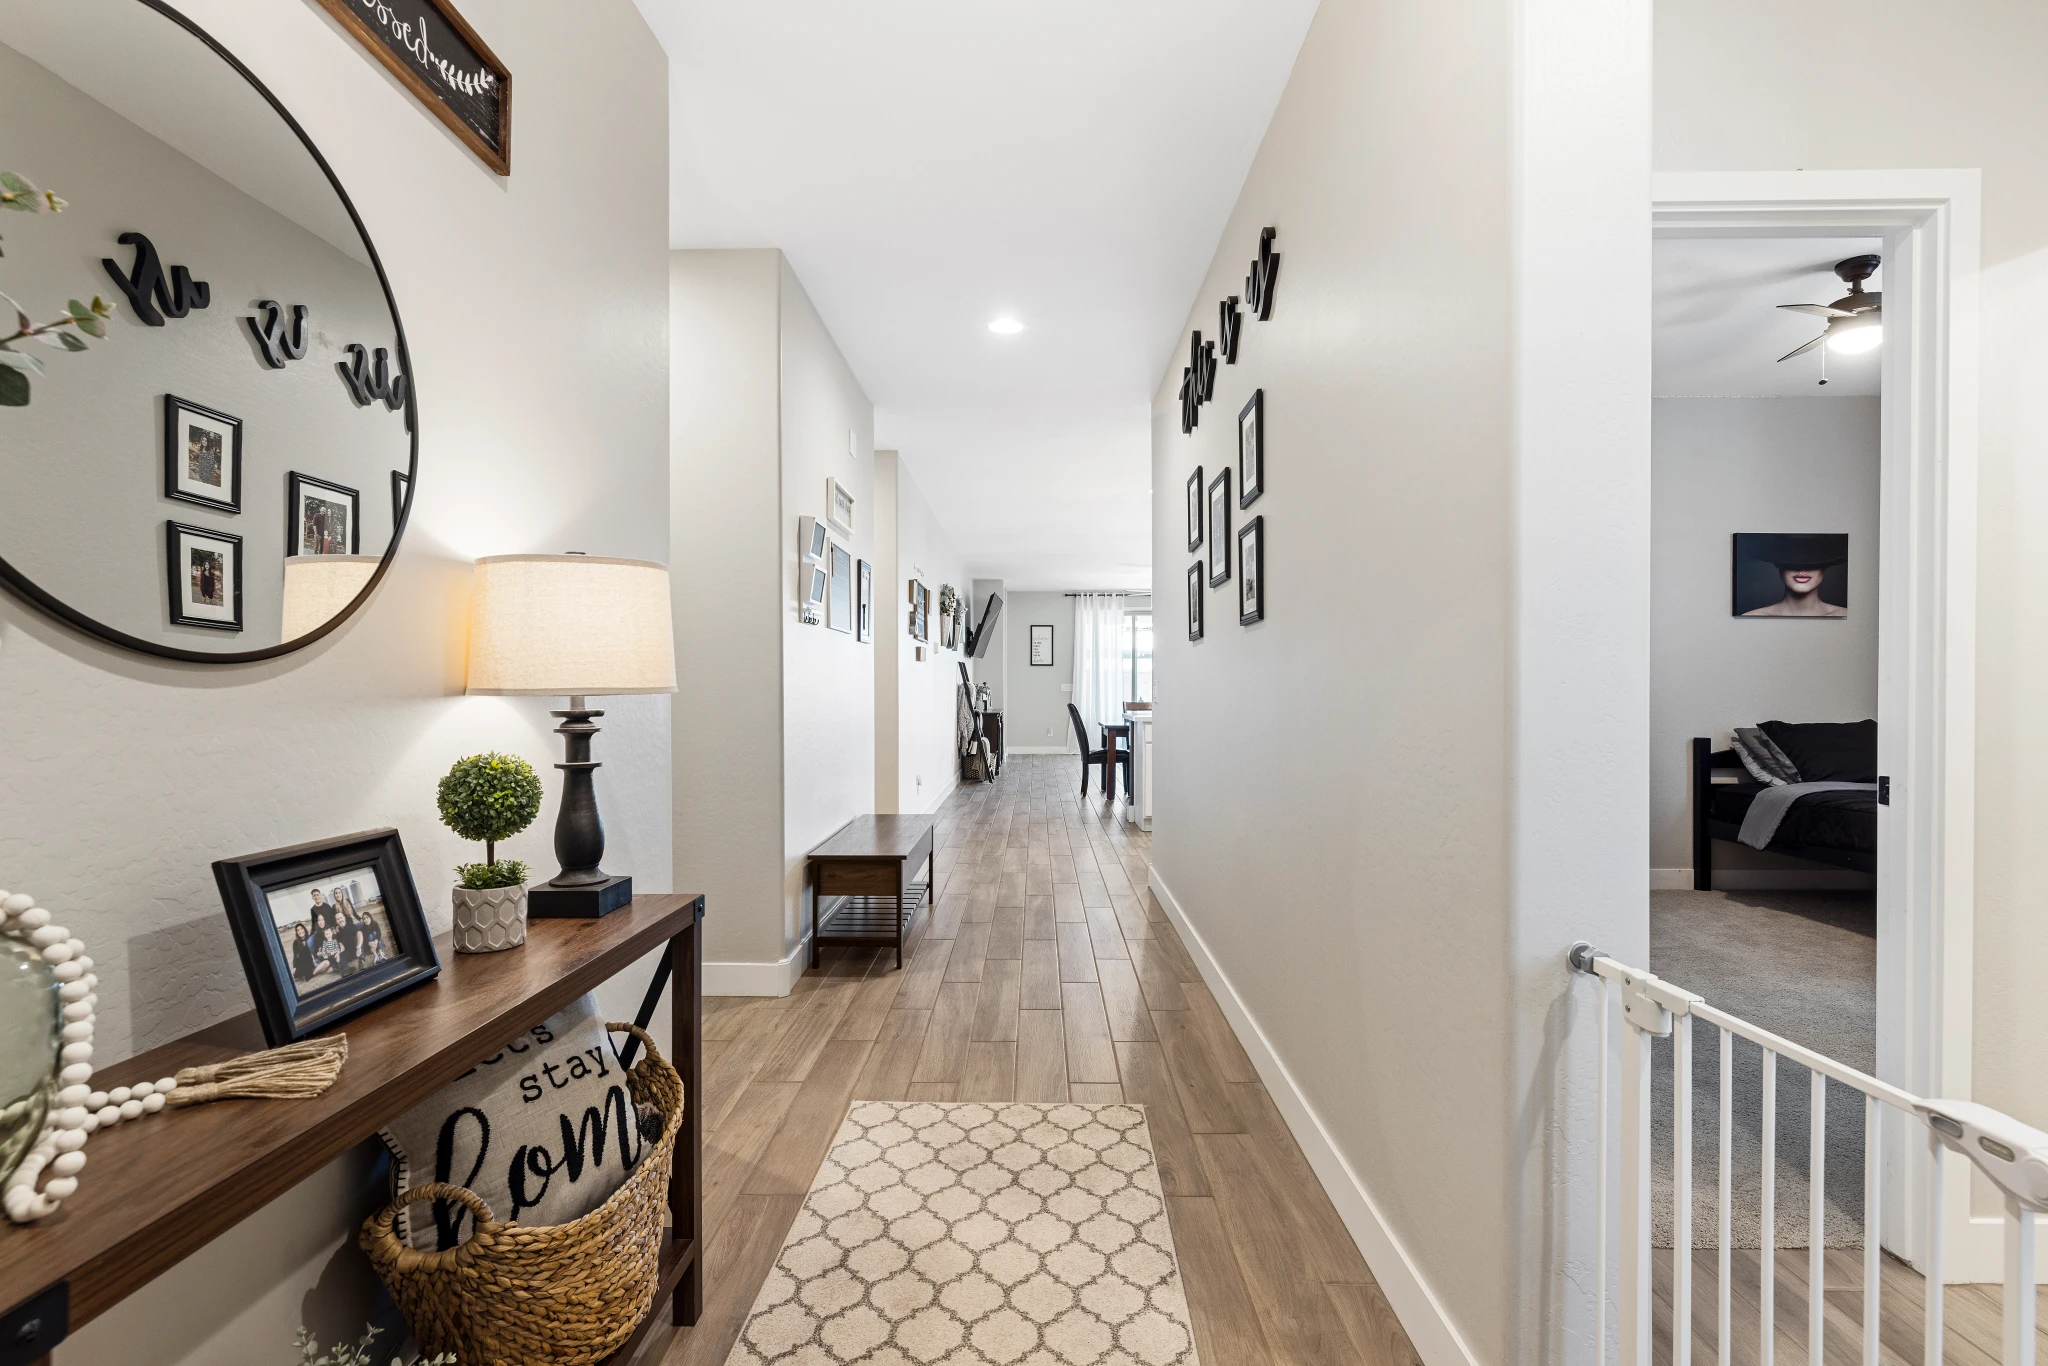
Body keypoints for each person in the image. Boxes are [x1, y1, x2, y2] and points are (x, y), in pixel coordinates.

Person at [1741, 537, 1847, 618]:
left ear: (1824, 567)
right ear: (1779, 565)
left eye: (1813, 561)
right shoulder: (1752, 617)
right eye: (1792, 561)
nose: (1802, 569)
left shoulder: (1848, 616)